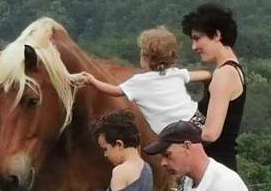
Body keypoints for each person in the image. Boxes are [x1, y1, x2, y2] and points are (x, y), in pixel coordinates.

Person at [73, 27, 211, 135]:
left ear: (145, 57)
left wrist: (93, 81)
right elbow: (201, 75)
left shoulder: (139, 82)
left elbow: (115, 91)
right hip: (196, 119)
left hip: (172, 131)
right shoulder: (174, 74)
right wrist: (212, 75)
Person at [182, 3, 246, 171]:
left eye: (197, 38)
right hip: (221, 167)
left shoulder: (224, 74)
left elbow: (211, 133)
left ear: (217, 35)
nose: (194, 47)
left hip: (216, 169)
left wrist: (178, 135)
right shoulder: (232, 70)